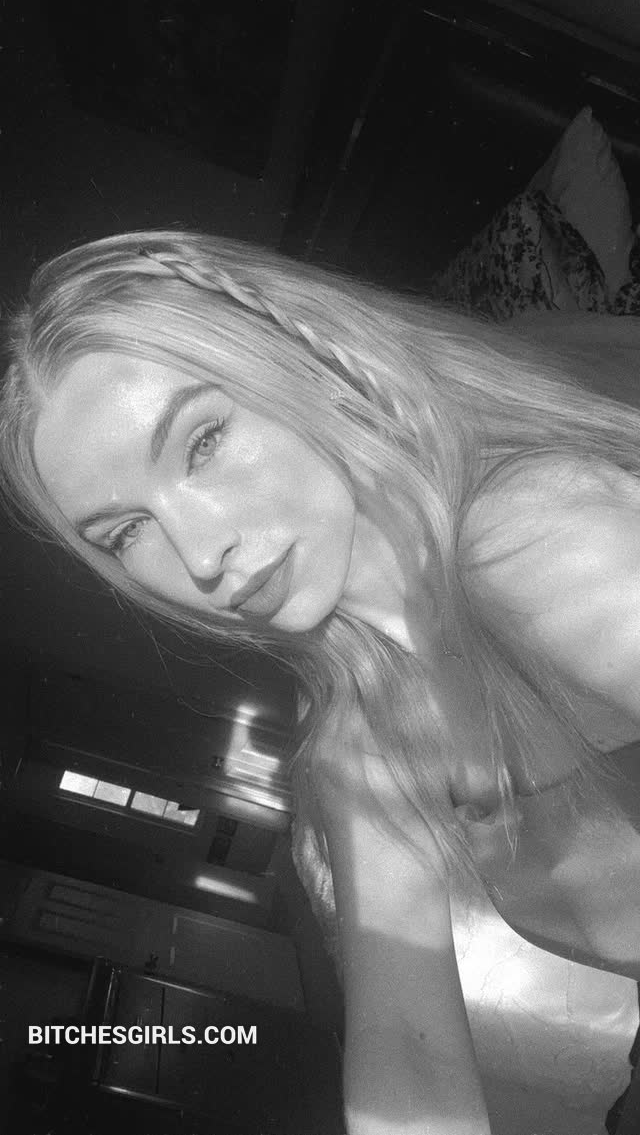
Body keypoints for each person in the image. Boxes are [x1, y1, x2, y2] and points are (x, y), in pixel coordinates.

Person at [3, 228, 640, 1134]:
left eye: (202, 441)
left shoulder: (532, 540)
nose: (200, 552)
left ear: (307, 360)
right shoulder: (357, 724)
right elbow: (408, 1050)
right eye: (126, 532)